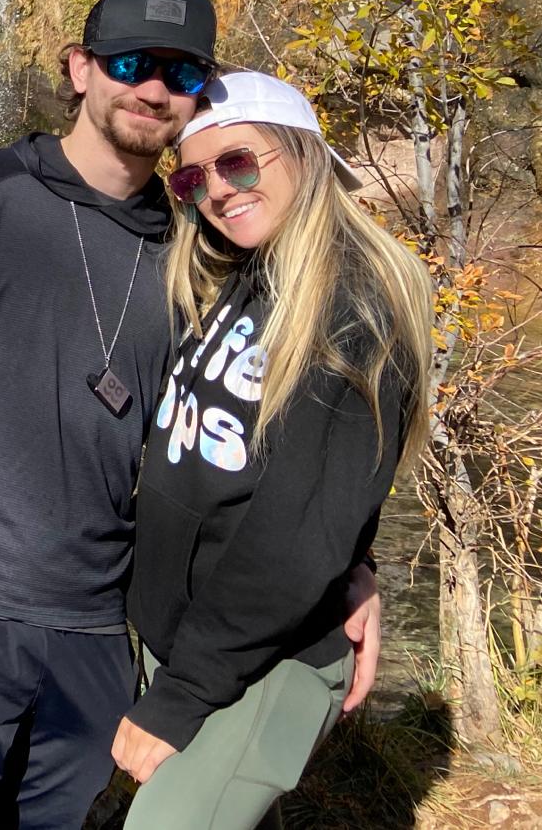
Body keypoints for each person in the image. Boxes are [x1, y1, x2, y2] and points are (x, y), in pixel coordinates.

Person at [0, 0, 381, 830]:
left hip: (93, 630)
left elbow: (274, 425)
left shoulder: (199, 246)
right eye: (129, 63)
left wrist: (353, 565)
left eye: (180, 71)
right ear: (81, 70)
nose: (152, 88)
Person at [111, 71, 432, 829]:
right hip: (203, 645)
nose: (218, 190)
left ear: (302, 152)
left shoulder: (355, 299)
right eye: (193, 175)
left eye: (240, 161)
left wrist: (182, 695)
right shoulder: (247, 275)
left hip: (261, 668)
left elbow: (299, 531)